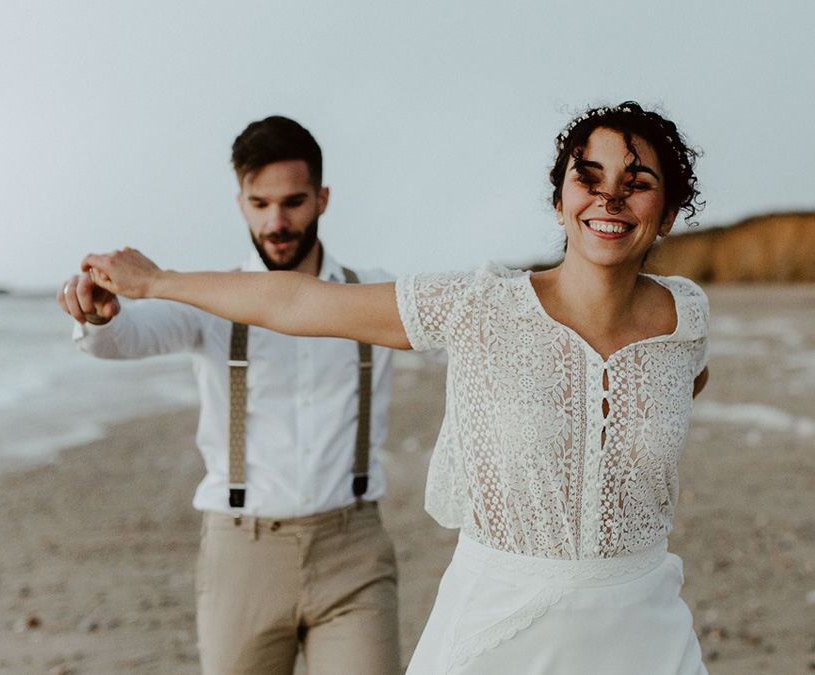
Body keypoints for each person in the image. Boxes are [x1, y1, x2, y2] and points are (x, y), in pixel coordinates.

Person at [82, 101, 712, 674]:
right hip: (507, 625)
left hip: (645, 628)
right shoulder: (478, 306)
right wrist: (158, 282)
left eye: (638, 184)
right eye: (589, 179)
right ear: (559, 201)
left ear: (669, 212)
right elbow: (299, 302)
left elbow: (673, 388)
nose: (610, 200)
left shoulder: (687, 318)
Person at [56, 116, 402, 674]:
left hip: (353, 547)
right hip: (243, 551)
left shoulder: (372, 292)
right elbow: (128, 338)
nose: (278, 221)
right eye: (260, 203)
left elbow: (458, 333)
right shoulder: (208, 300)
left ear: (323, 198)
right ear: (241, 203)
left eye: (294, 201)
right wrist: (100, 319)